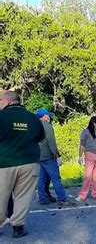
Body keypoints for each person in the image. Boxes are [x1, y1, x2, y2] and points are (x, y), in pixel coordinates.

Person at [0, 91, 45, 238]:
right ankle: (18, 228)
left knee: (1, 195)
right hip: (29, 162)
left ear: (7, 100)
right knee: (23, 196)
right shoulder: (33, 118)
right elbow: (40, 138)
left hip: (4, 162)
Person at [36, 108, 74, 207]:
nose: (49, 117)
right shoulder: (47, 126)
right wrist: (56, 154)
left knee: (41, 179)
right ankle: (62, 199)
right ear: (44, 116)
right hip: (48, 156)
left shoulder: (34, 126)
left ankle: (43, 199)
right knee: (56, 178)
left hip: (38, 156)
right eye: (48, 115)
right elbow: (51, 141)